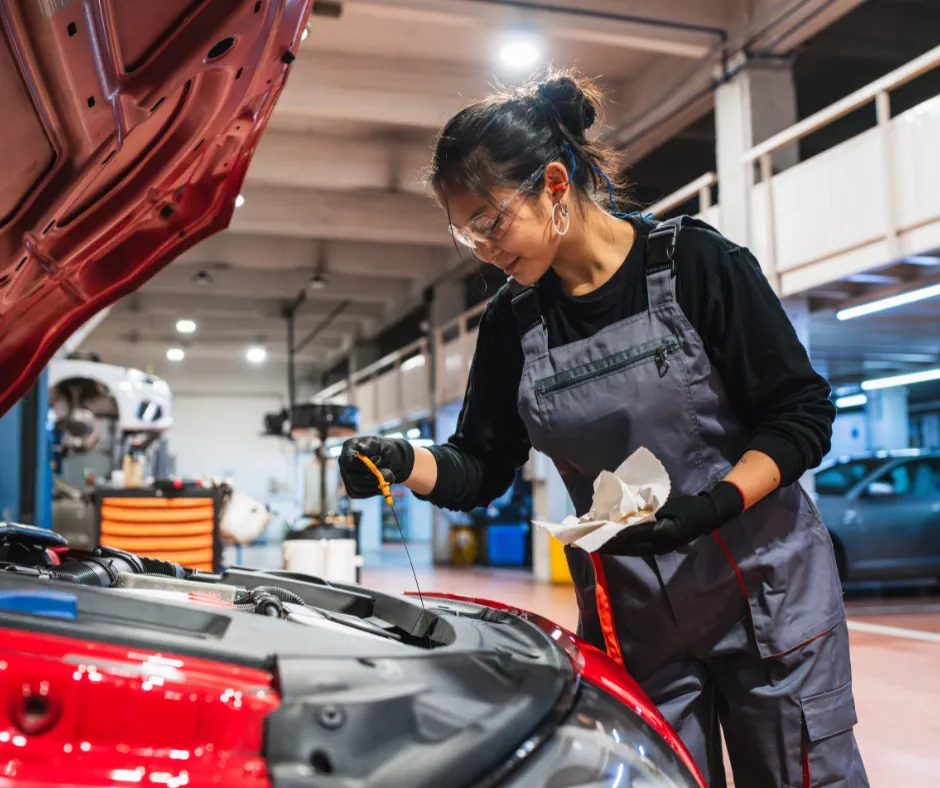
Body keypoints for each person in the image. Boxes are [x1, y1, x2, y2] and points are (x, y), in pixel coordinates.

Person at [339, 69, 868, 787]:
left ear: (555, 183)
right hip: (637, 616)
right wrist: (402, 460)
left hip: (767, 595)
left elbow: (800, 412)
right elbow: (481, 465)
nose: (488, 250)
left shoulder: (696, 265)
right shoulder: (512, 323)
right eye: (469, 236)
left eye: (493, 222)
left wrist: (714, 504)